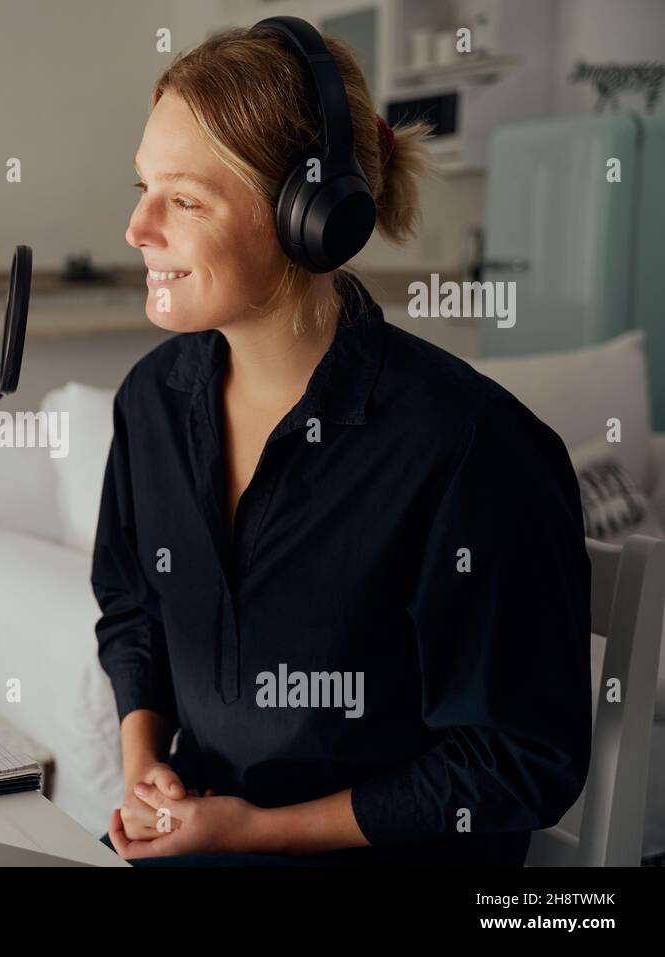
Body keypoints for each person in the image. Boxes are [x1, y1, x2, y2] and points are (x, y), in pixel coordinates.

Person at [92, 21, 591, 867]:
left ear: (308, 219)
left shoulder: (470, 447)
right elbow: (136, 610)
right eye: (142, 186)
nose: (137, 228)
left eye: (184, 198)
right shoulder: (151, 403)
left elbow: (521, 759)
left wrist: (258, 828)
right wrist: (147, 770)